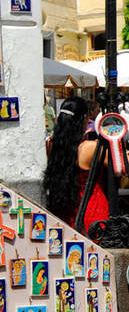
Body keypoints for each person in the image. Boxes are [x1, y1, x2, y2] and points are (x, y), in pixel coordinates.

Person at [42, 94, 108, 234]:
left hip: (64, 211)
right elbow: (121, 163)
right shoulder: (90, 148)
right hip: (91, 212)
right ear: (85, 119)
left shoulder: (51, 145)